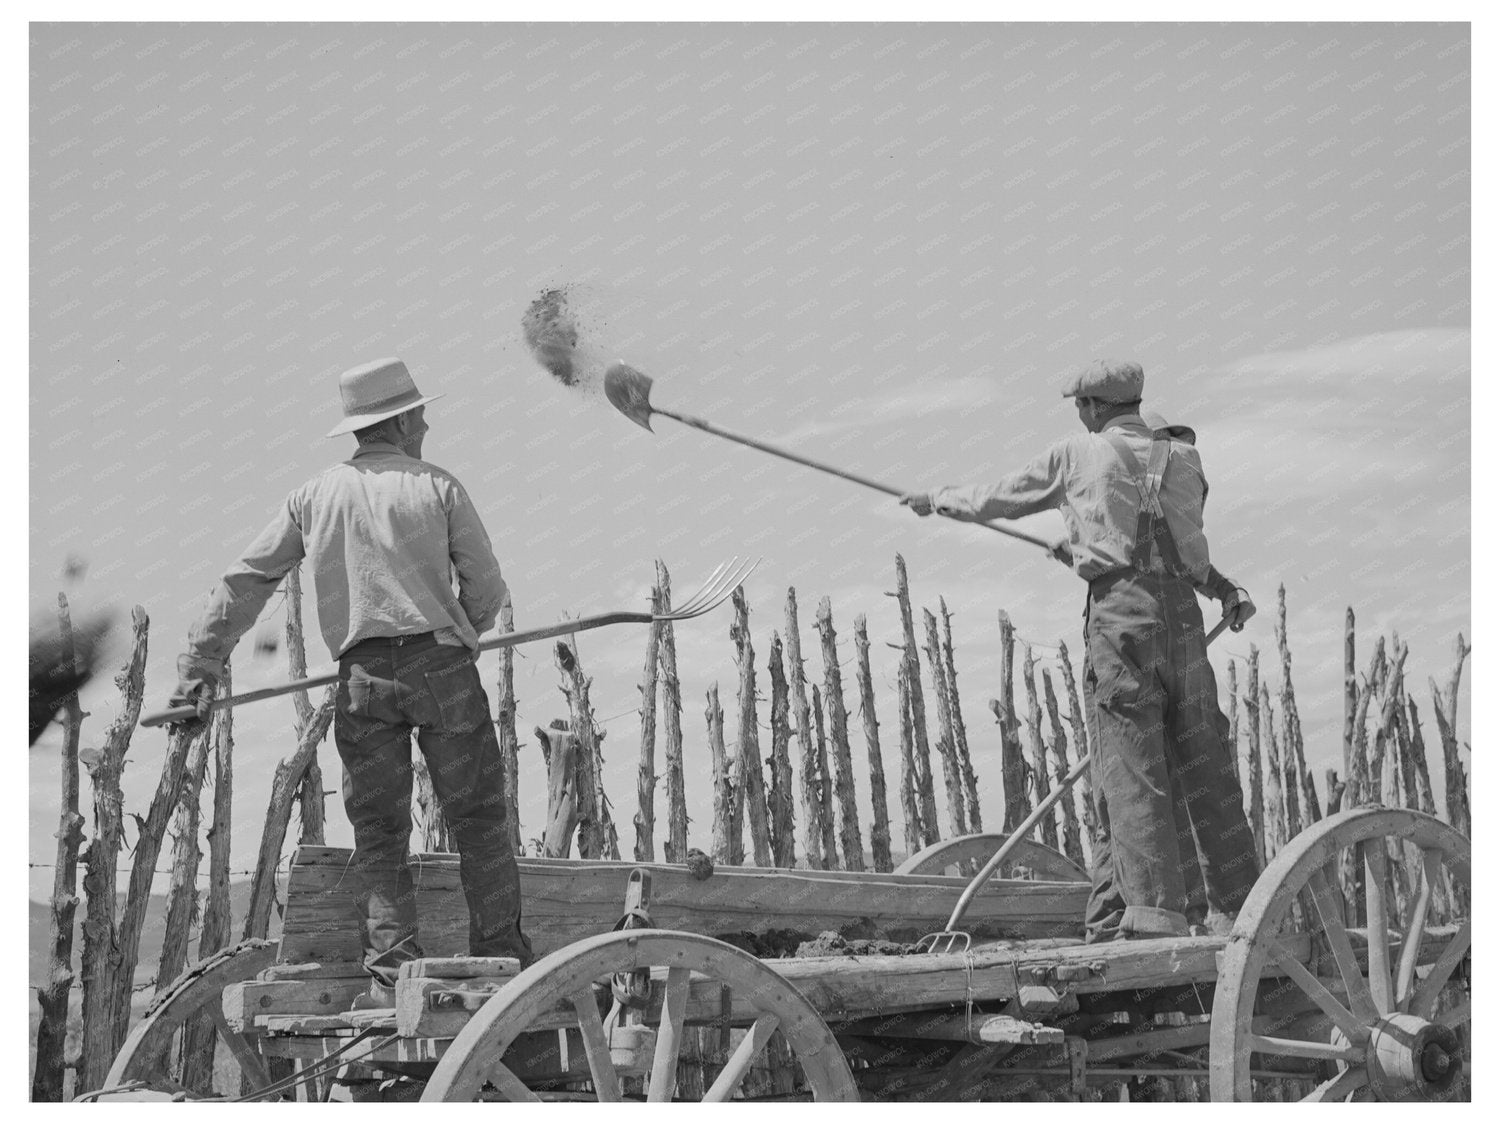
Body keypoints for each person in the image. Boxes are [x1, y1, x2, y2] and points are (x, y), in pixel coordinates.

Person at [172, 357, 532, 997]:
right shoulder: (438, 487)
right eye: (419, 411)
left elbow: (246, 582)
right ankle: (501, 958)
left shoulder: (313, 496)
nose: (426, 420)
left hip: (362, 677)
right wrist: (464, 635)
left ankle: (391, 971)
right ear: (400, 419)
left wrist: (199, 667)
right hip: (440, 664)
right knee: (478, 817)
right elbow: (488, 583)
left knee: (379, 828)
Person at [901, 359, 1258, 941]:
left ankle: (1154, 915)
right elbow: (1175, 545)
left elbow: (1002, 497)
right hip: (1184, 620)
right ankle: (1242, 909)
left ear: (1093, 407)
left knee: (1133, 762)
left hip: (1121, 616)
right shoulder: (1185, 457)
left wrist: (936, 499)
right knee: (1205, 759)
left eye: (1079, 405)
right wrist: (1223, 588)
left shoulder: (1076, 453)